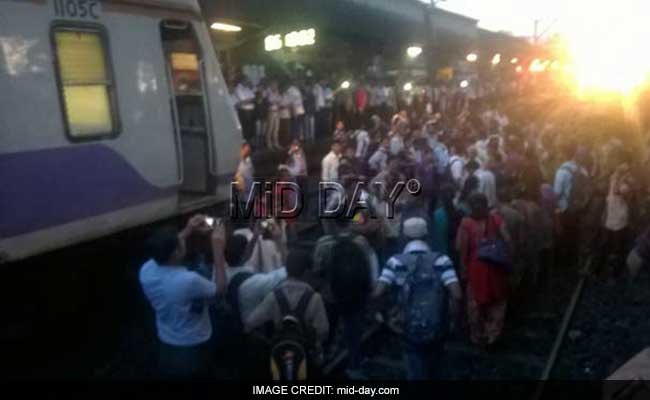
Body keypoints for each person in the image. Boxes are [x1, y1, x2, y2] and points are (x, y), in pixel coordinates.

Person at [139, 215, 227, 378]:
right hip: (193, 347)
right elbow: (220, 289)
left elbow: (167, 247)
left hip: (166, 341)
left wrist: (188, 229)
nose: (183, 240)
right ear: (175, 254)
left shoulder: (147, 270)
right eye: (180, 243)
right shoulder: (188, 280)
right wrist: (218, 249)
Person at [374, 217, 462, 379]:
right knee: (436, 366)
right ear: (427, 236)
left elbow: (378, 293)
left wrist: (385, 317)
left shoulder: (395, 262)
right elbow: (456, 294)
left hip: (407, 326)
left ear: (404, 237)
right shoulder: (442, 260)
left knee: (414, 369)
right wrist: (452, 321)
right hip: (437, 326)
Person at [245, 249, 329, 366]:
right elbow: (323, 331)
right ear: (306, 272)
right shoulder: (315, 298)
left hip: (281, 353)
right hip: (307, 355)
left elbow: (250, 323)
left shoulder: (273, 296)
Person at [456, 193, 511, 347]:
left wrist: (463, 270)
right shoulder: (496, 219)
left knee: (475, 303)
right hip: (495, 267)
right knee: (498, 302)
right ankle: (492, 334)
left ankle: (477, 335)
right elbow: (507, 239)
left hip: (476, 268)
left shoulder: (466, 224)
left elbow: (462, 249)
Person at [233, 77, 256, 142]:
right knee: (245, 128)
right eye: (247, 81)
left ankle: (250, 142)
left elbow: (253, 98)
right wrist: (249, 100)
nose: (248, 82)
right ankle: (245, 143)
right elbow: (243, 100)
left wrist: (249, 100)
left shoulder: (247, 88)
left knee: (251, 128)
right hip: (244, 111)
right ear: (243, 81)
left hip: (251, 110)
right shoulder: (238, 88)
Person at [266, 80, 282, 150]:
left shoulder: (277, 92)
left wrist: (276, 101)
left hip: (277, 111)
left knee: (276, 129)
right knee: (270, 128)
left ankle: (276, 143)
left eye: (276, 85)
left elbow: (280, 100)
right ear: (271, 85)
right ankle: (269, 143)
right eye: (274, 85)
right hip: (271, 112)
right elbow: (270, 101)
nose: (275, 86)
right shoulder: (269, 92)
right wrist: (275, 101)